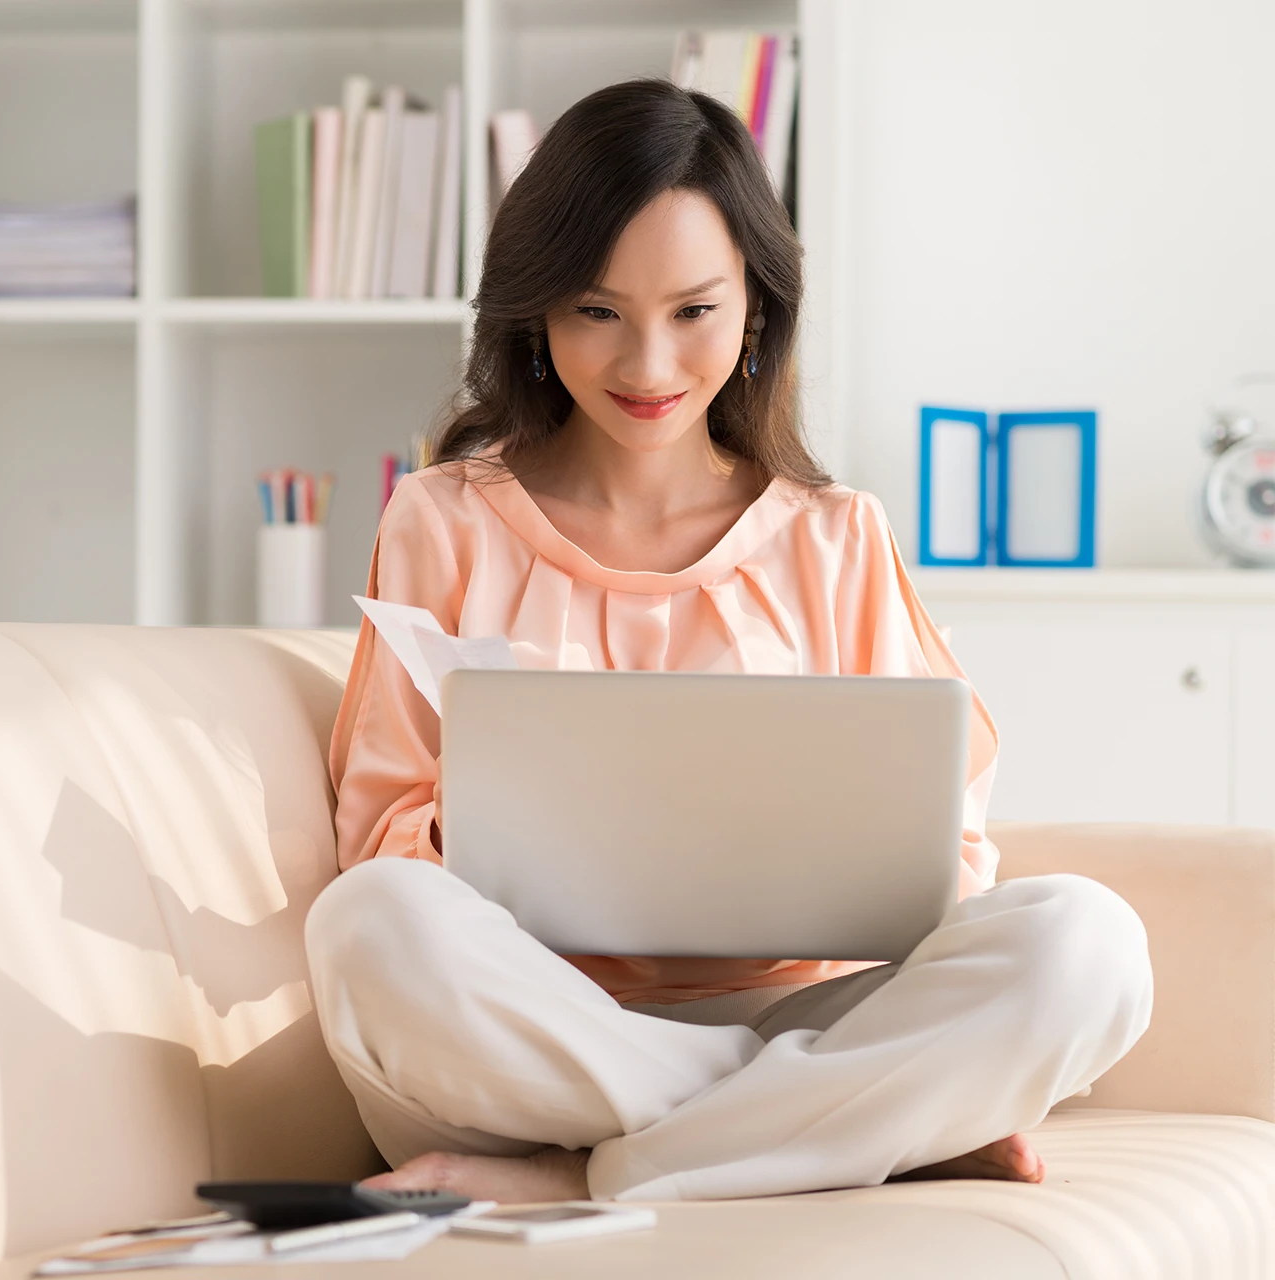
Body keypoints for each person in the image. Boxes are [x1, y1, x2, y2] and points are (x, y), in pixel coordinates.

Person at [303, 78, 1153, 1206]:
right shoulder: (443, 517)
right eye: (598, 311)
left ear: (756, 305)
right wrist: (498, 808)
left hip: (807, 1006)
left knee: (1088, 943)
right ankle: (839, 1127)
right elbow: (380, 834)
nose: (648, 366)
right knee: (369, 928)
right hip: (535, 1026)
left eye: (694, 311)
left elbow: (946, 857)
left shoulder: (838, 534)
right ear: (537, 310)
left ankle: (579, 1174)